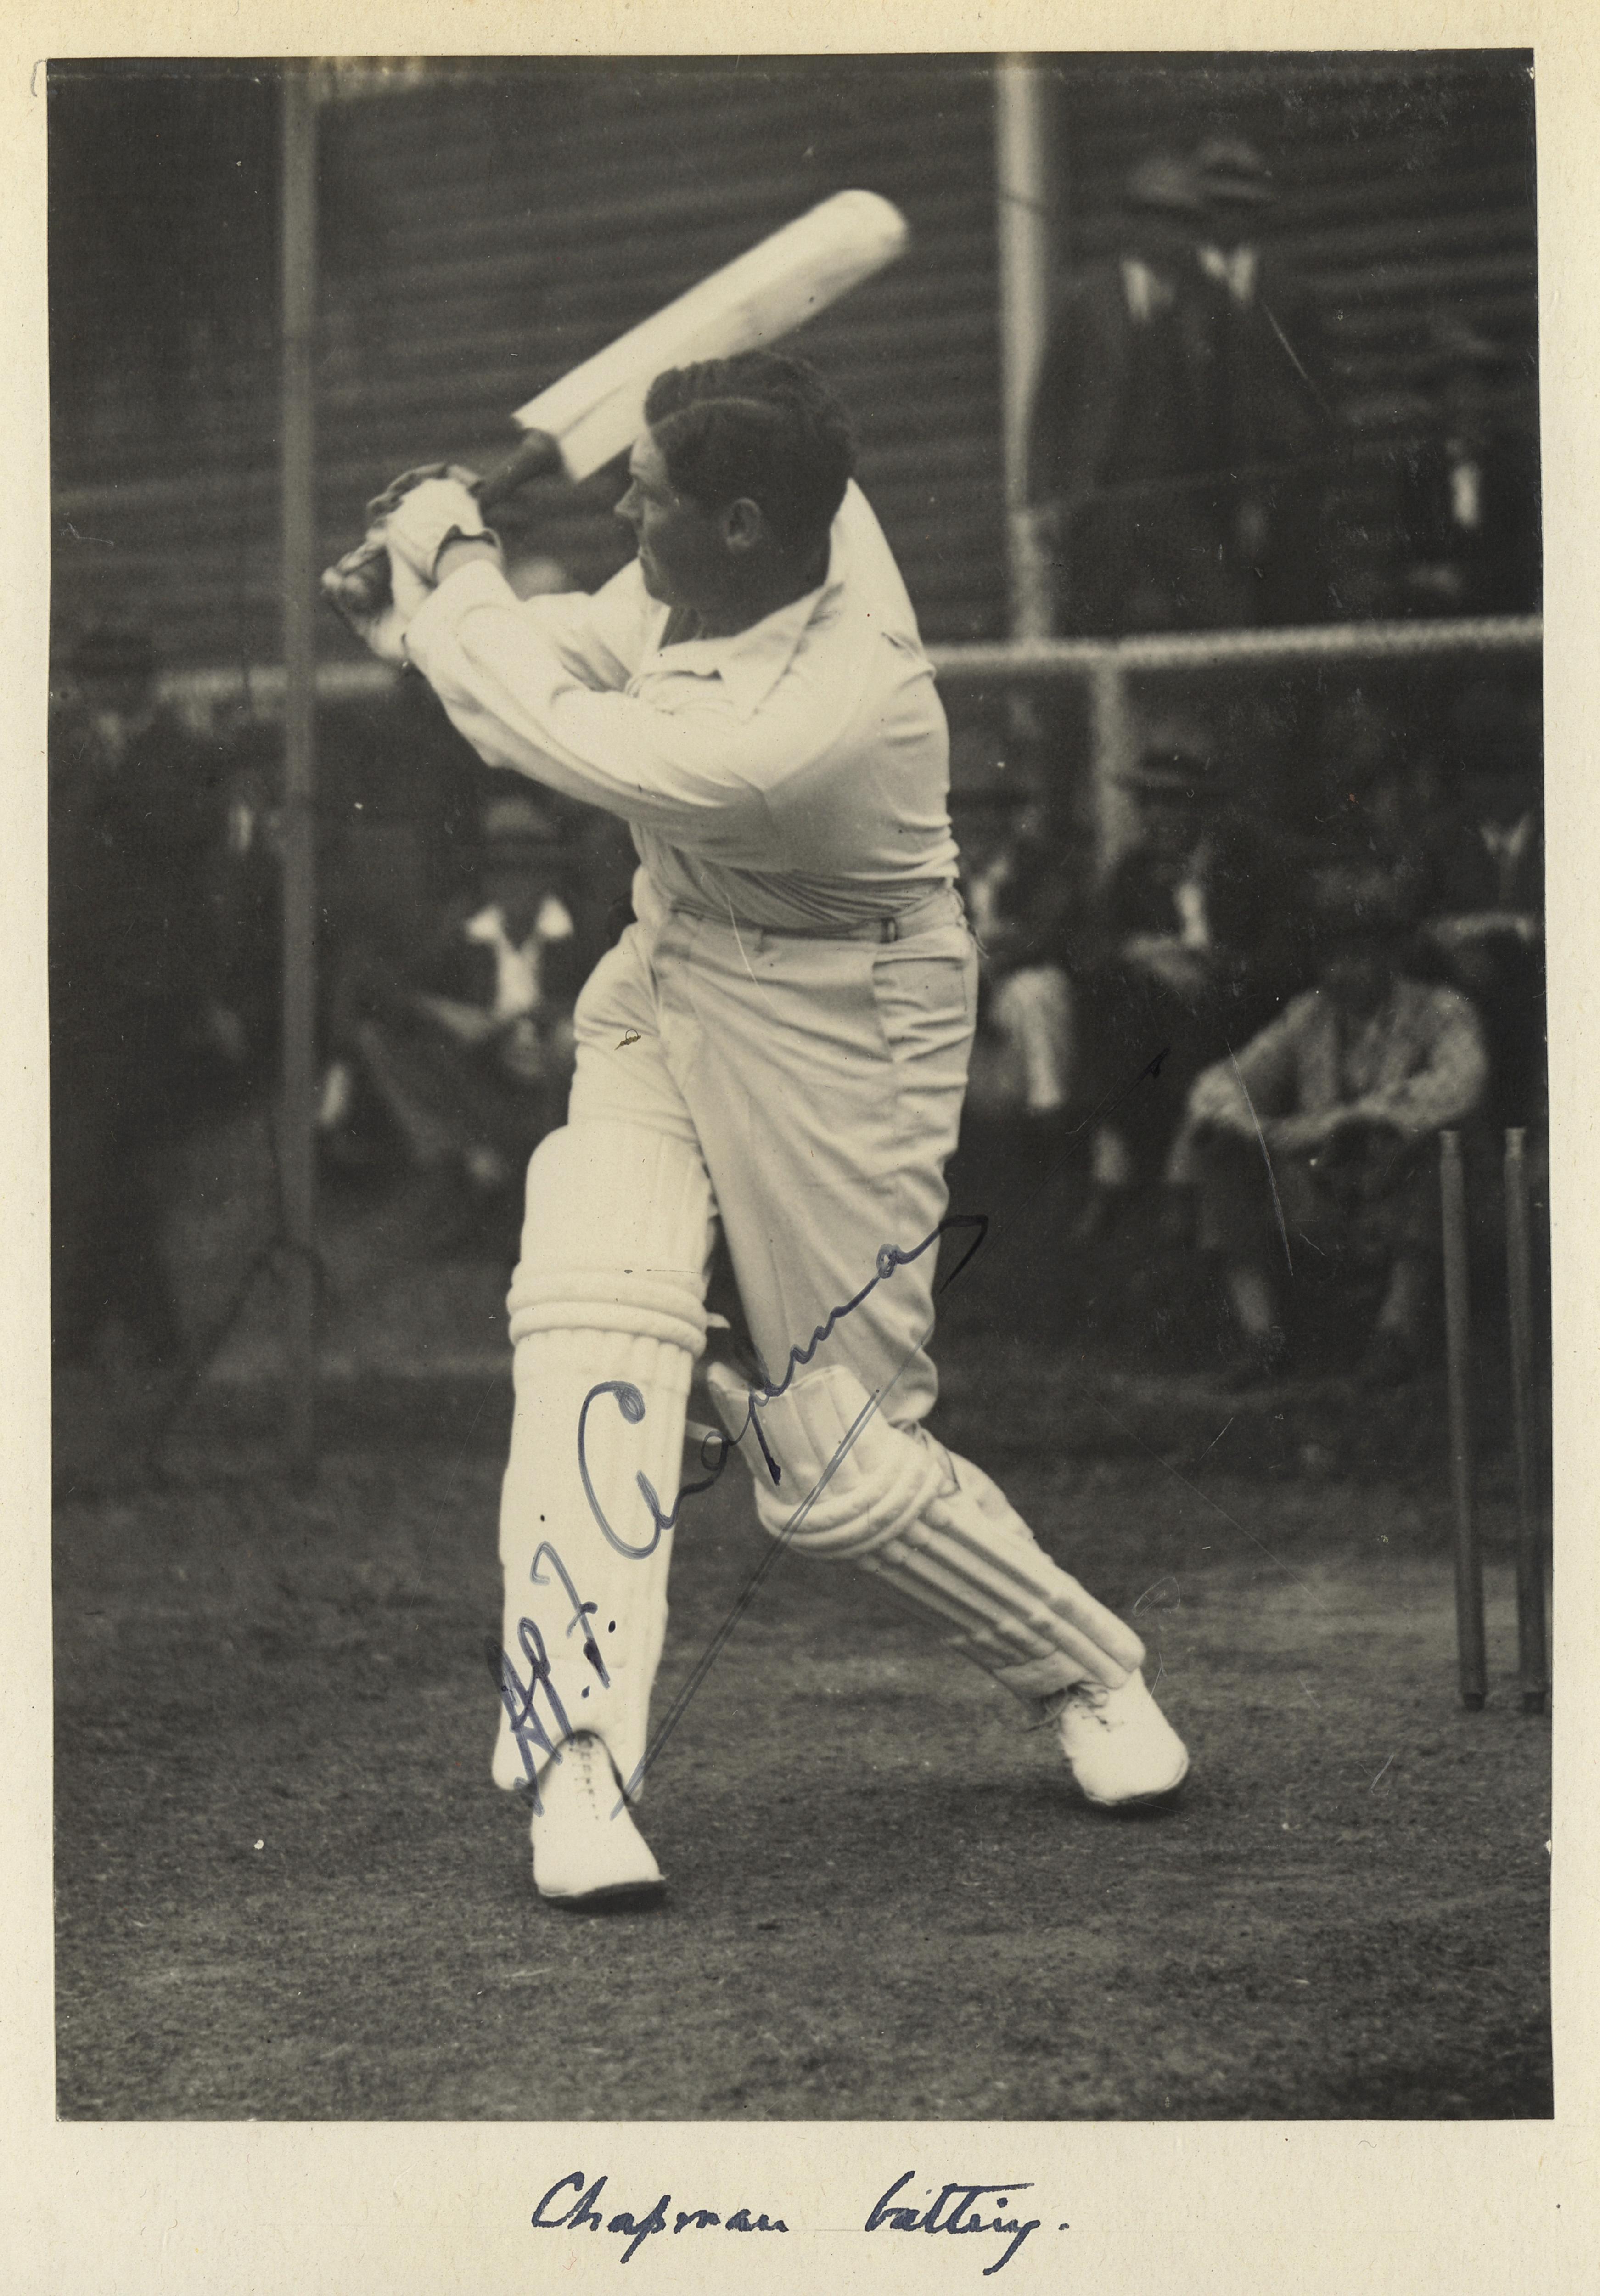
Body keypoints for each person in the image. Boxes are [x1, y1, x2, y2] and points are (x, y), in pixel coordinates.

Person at [326, 351, 1190, 1908]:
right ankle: (575, 1760)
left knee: (835, 1456)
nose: (618, 516)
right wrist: (431, 607)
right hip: (668, 974)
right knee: (595, 1316)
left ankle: (1084, 1674)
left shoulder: (808, 723)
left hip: (847, 1016)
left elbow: (550, 727)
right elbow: (581, 648)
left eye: (644, 499)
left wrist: (449, 568)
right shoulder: (773, 527)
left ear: (740, 523)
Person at [1183, 876, 1489, 1389]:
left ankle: (1395, 1335)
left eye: (1358, 956)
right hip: (1321, 1187)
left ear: (1389, 956)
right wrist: (1259, 1128)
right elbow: (1224, 1081)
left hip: (1398, 1185)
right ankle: (1262, 1337)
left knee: (1441, 1147)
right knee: (1222, 1150)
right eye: (1330, 958)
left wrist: (1359, 1120)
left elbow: (1460, 1083)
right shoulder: (1308, 1016)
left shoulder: (1439, 1011)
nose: (1341, 972)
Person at [49, 623, 231, 1368]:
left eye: (127, 677)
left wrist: (113, 779)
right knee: (99, 1155)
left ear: (149, 682)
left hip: (151, 984)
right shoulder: (60, 745)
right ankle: (135, 1332)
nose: (113, 691)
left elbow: (189, 833)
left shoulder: (181, 751)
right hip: (68, 974)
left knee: (104, 1150)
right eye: (100, 677)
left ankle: (92, 1330)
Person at [1027, 155, 1245, 635]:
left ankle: (1212, 711)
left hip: (1184, 498)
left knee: (1217, 621)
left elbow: (1234, 409)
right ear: (1133, 224)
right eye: (1157, 219)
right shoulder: (1087, 300)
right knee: (1088, 623)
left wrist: (1242, 498)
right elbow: (1049, 405)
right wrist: (1043, 498)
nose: (1169, 235)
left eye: (1182, 222)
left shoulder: (1209, 302)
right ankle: (1074, 713)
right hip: (1104, 496)